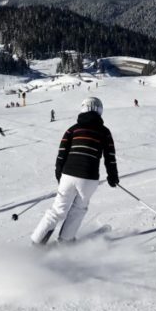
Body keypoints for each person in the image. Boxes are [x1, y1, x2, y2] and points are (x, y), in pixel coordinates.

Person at [31, 96, 118, 245]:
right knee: (79, 209)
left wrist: (60, 175)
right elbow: (109, 156)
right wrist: (112, 176)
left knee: (58, 209)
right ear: (100, 111)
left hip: (68, 175)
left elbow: (62, 154)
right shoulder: (105, 132)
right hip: (89, 178)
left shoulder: (72, 130)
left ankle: (37, 241)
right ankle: (66, 240)